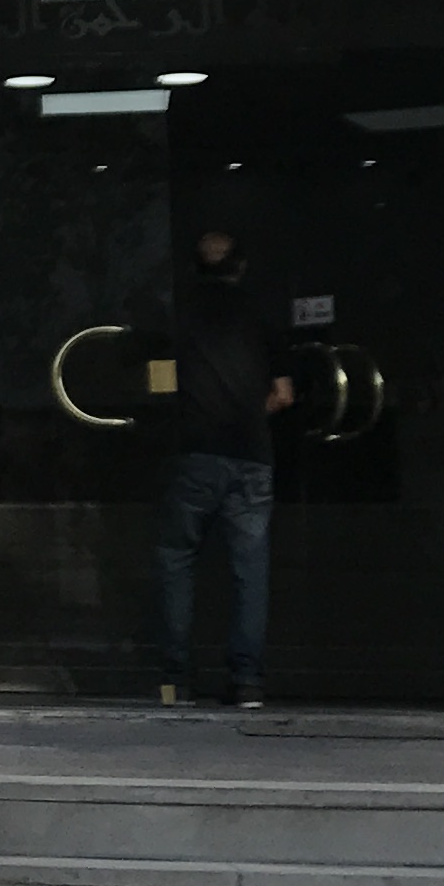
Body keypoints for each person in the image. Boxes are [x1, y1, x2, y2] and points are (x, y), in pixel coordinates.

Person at [154, 228, 292, 705]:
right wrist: (249, 416)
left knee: (177, 559)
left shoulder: (180, 314)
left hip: (195, 453)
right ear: (242, 267)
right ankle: (247, 679)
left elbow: (154, 377)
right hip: (250, 455)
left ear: (194, 269)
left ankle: (175, 679)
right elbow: (283, 394)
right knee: (249, 569)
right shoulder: (262, 314)